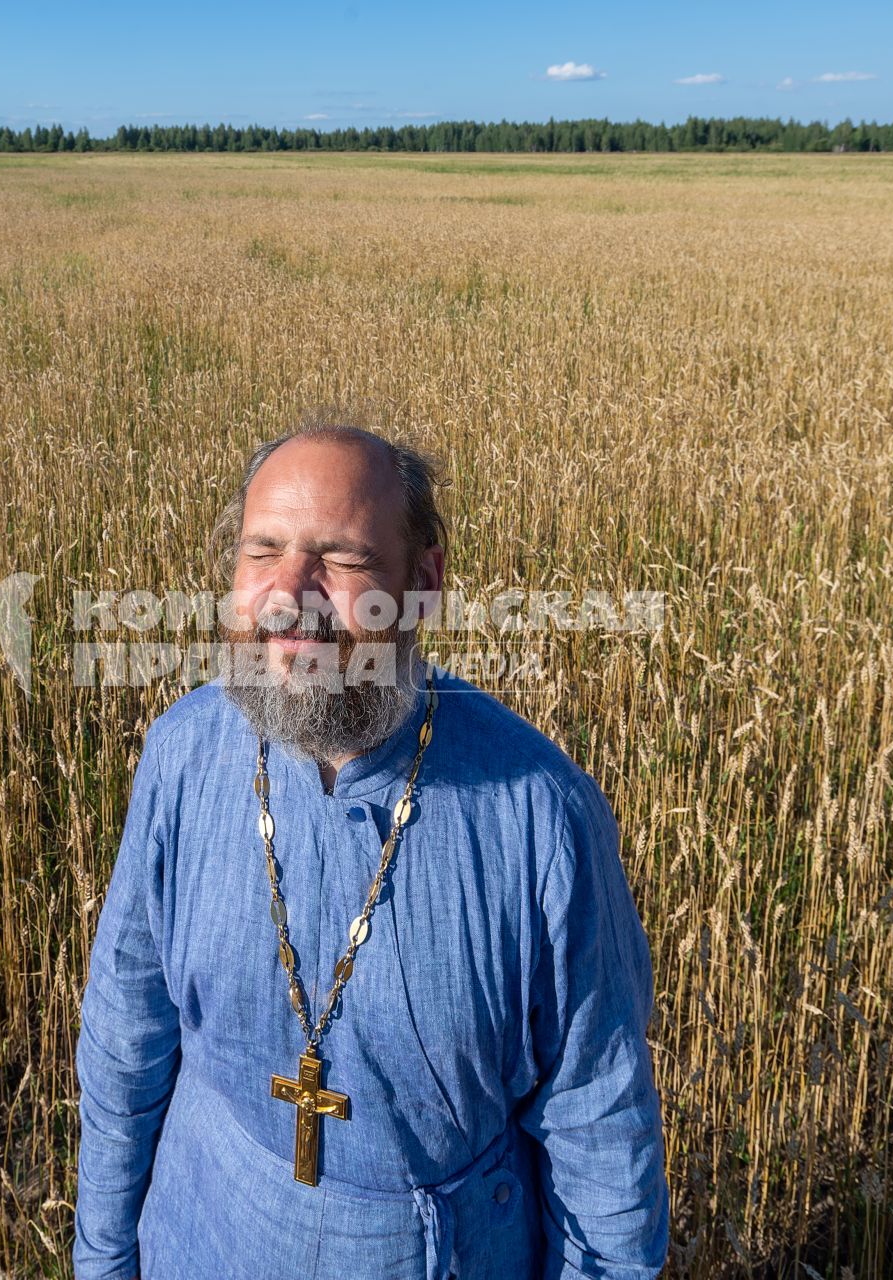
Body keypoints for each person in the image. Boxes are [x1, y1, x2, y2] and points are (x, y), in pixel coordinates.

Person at [72, 416, 669, 1279]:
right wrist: (102, 1261)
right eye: (262, 550)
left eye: (341, 559)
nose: (289, 593)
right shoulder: (181, 755)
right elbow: (126, 1043)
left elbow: (600, 1140)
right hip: (197, 1241)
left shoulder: (541, 819)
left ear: (421, 586)